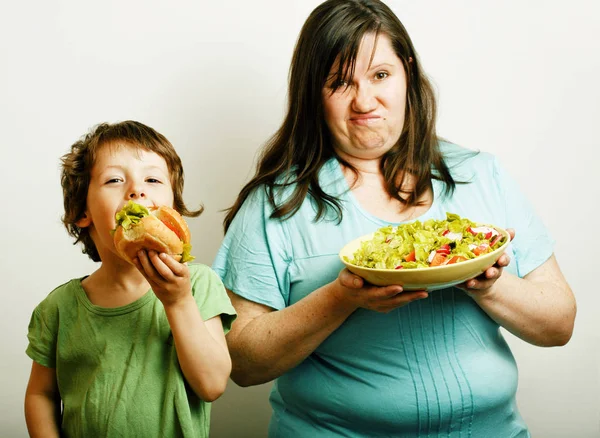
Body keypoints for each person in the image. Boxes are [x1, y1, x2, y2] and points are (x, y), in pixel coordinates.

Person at [212, 0, 576, 437]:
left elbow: (559, 323)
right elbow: (244, 364)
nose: (364, 101)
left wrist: (489, 282)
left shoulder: (482, 175)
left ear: (407, 73)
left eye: (380, 75)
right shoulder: (277, 204)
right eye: (340, 83)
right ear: (313, 94)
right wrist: (341, 298)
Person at [24, 121, 236, 438]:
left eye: (152, 179)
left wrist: (177, 302)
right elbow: (40, 395)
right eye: (114, 180)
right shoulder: (58, 307)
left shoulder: (197, 284)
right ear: (83, 212)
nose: (137, 190)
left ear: (173, 210)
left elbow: (212, 385)